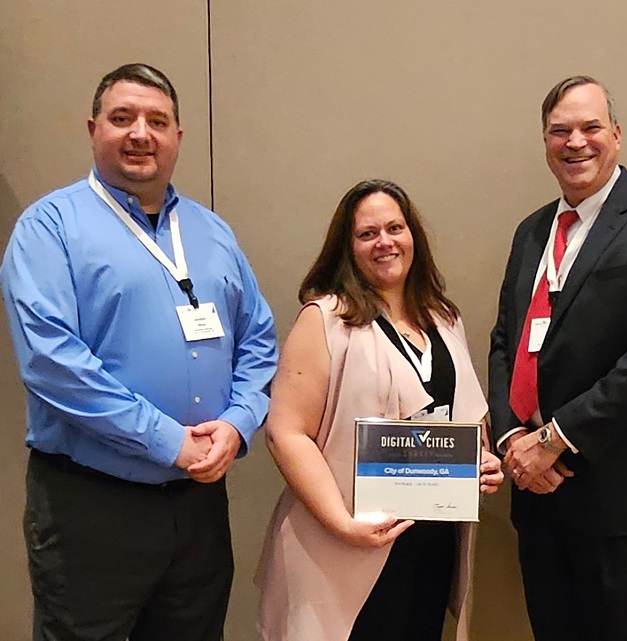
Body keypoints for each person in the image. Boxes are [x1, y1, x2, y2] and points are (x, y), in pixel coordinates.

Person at [1, 63, 277, 641]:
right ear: (92, 128)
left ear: (178, 137)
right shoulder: (49, 227)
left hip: (199, 504)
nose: (140, 133)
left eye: (158, 120)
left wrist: (237, 423)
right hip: (92, 506)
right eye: (121, 118)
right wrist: (167, 440)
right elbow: (52, 361)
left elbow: (258, 340)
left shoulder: (212, 232)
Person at [488, 75, 627, 641]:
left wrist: (552, 440)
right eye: (560, 130)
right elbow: (506, 341)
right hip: (539, 499)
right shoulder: (532, 231)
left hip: (622, 501)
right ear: (545, 141)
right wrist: (513, 443)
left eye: (590, 127)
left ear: (617, 134)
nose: (575, 141)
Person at [256, 179, 503, 641]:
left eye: (395, 228)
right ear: (347, 248)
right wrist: (343, 525)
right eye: (368, 233)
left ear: (414, 237)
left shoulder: (444, 319)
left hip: (429, 544)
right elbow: (285, 432)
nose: (385, 242)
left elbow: (465, 423)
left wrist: (481, 466)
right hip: (343, 541)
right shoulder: (326, 318)